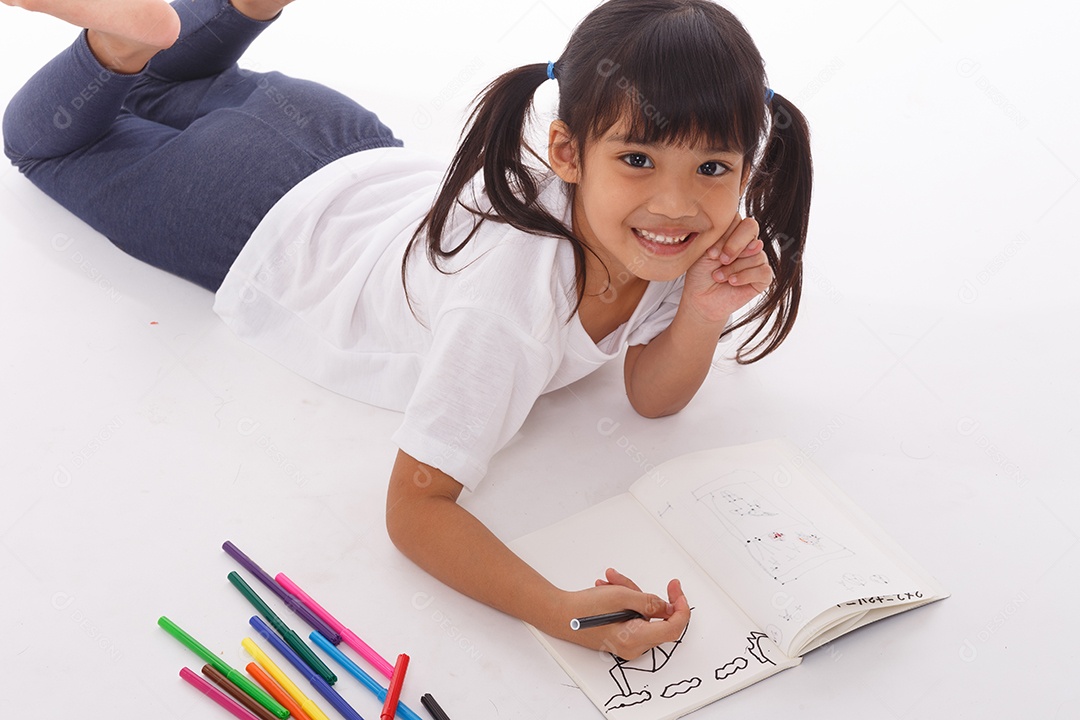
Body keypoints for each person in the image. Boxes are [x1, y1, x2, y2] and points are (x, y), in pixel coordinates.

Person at [2, 0, 812, 659]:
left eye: (712, 169)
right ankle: (119, 43)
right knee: (43, 144)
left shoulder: (663, 243)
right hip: (251, 210)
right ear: (566, 151)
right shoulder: (509, 310)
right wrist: (553, 608)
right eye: (638, 160)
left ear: (748, 166)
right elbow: (416, 509)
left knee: (166, 83)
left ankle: (222, 15)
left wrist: (703, 314)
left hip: (342, 141)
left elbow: (651, 396)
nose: (675, 205)